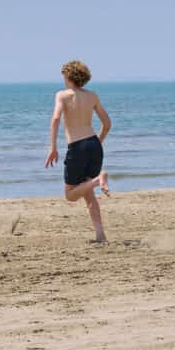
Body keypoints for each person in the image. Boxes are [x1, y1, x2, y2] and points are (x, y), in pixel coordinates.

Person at [47, 60, 111, 243]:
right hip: (93, 144)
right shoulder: (92, 96)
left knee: (70, 194)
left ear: (68, 76)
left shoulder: (62, 95)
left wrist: (53, 148)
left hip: (77, 146)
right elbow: (107, 124)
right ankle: (100, 235)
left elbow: (55, 119)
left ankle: (100, 179)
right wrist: (97, 143)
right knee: (88, 192)